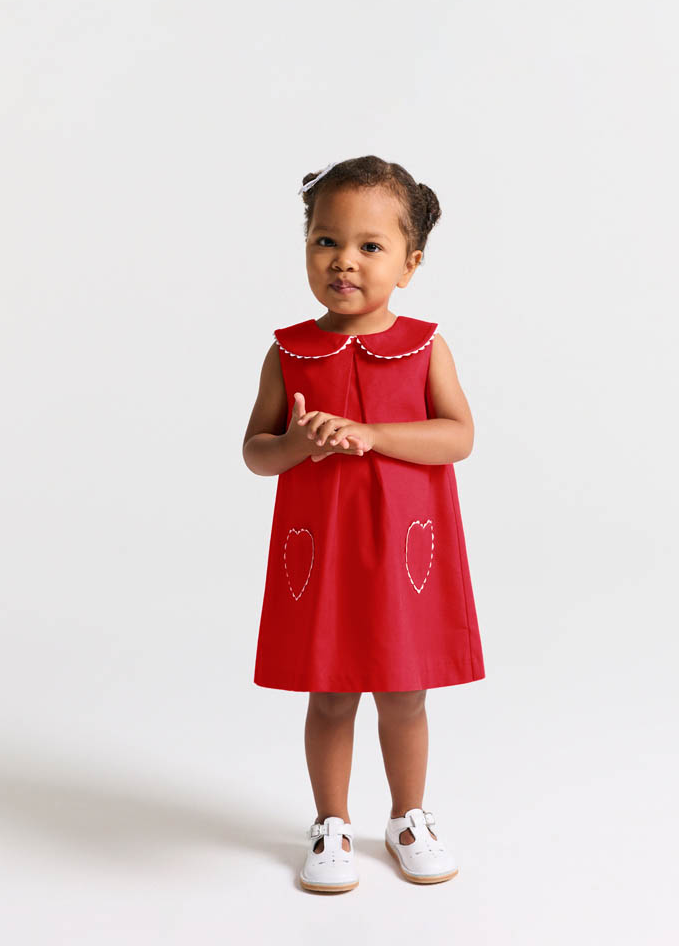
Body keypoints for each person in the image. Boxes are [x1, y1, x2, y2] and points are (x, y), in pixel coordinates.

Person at [242, 155, 485, 893]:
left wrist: (375, 435)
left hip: (405, 552)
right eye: (326, 241)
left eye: (369, 246)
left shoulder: (424, 345)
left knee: (405, 691)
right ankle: (331, 823)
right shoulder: (289, 352)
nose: (343, 260)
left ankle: (408, 817)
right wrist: (297, 444)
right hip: (324, 552)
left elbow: (458, 436)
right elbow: (256, 452)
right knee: (331, 691)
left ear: (409, 264)